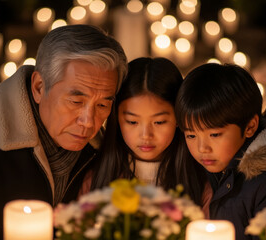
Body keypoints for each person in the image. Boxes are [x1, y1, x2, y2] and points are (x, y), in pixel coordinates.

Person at [0, 24, 127, 239]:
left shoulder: (106, 156)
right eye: (76, 100)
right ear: (39, 87)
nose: (88, 122)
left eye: (102, 105)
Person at [175, 63, 266, 240]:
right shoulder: (214, 167)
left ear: (250, 126)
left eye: (215, 134)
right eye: (191, 135)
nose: (202, 148)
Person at [80, 57, 212, 218]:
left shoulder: (199, 182)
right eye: (132, 121)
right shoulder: (97, 178)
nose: (145, 135)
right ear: (116, 118)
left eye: (159, 122)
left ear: (178, 118)